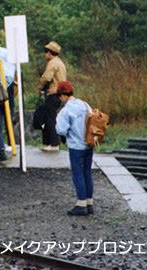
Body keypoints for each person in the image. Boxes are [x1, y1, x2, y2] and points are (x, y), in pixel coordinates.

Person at [54, 81, 94, 216]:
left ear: (62, 95)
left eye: (59, 96)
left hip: (76, 146)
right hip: (89, 144)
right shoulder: (85, 104)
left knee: (78, 174)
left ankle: (81, 204)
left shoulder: (66, 110)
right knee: (87, 172)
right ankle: (89, 203)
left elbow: (61, 129)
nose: (59, 99)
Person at [39, 41, 68, 152]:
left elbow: (46, 77)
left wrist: (40, 86)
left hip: (53, 93)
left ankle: (54, 143)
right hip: (60, 93)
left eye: (46, 52)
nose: (45, 54)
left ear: (50, 53)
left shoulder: (52, 63)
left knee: (50, 119)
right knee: (51, 117)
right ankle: (52, 142)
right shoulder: (60, 62)